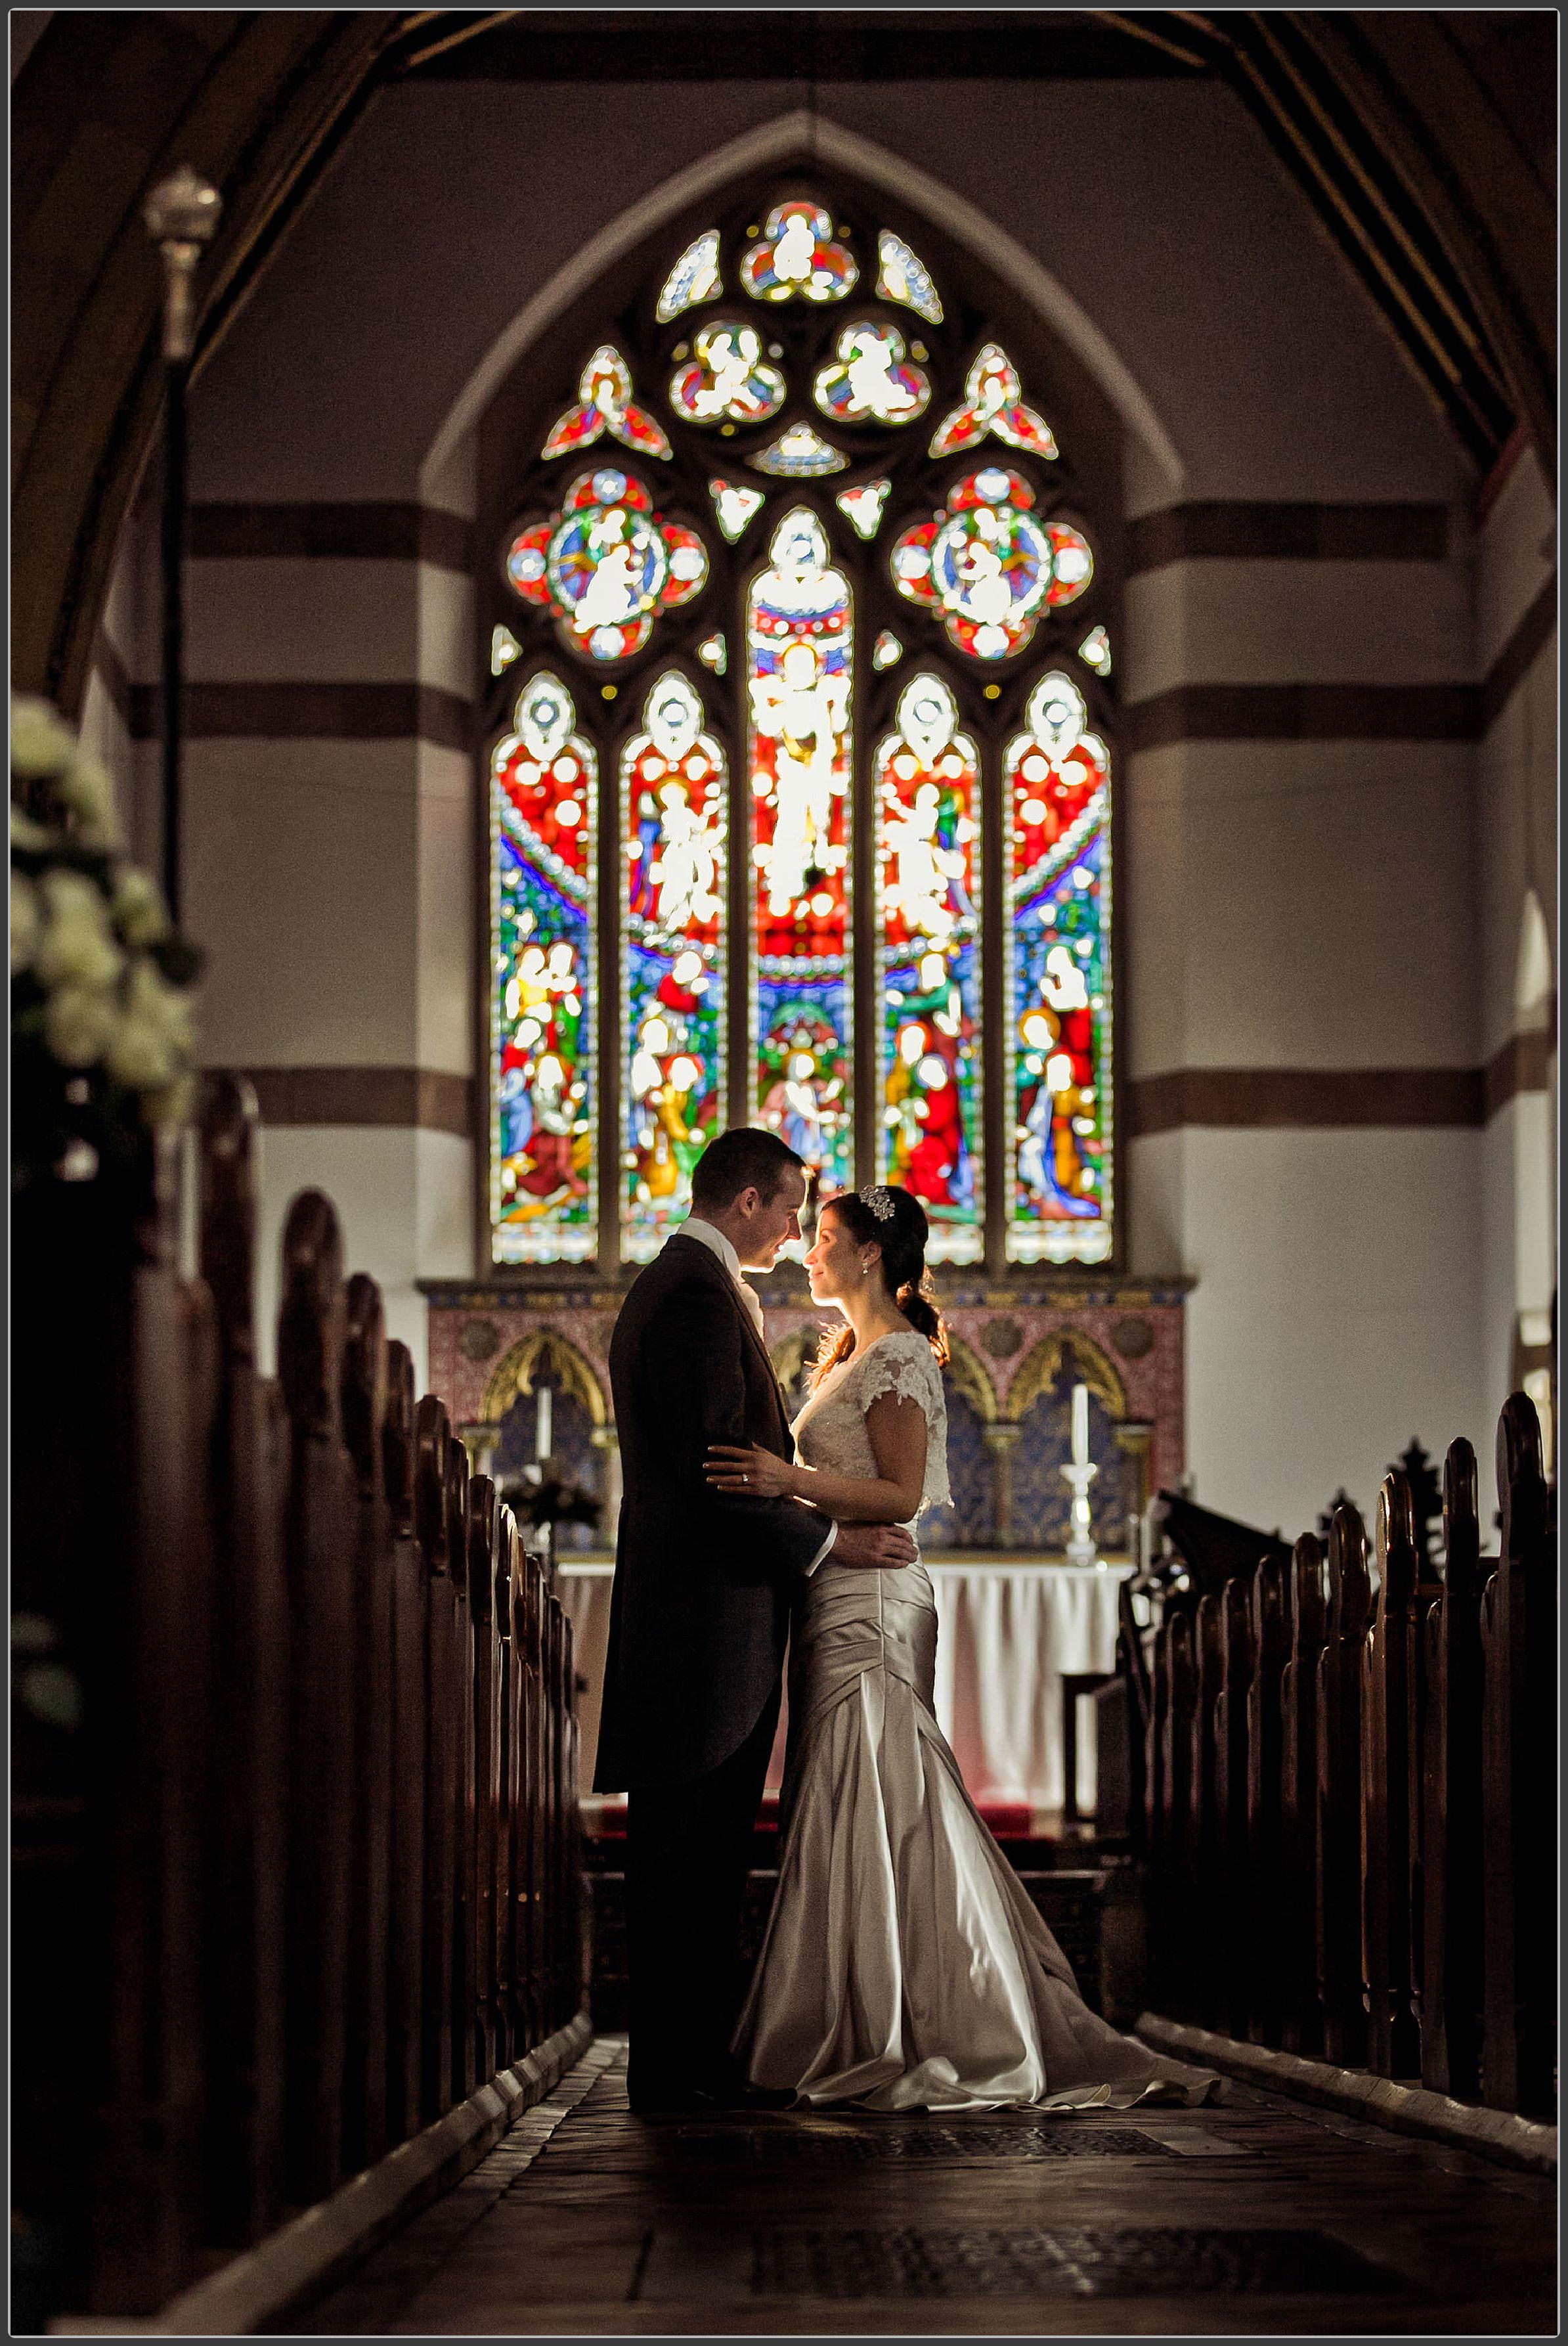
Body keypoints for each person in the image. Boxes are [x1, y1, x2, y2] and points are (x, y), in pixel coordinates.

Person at [706, 1180, 1219, 2112]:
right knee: (856, 1793)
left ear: (870, 1256)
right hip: (839, 1591)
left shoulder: (898, 1353)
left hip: (874, 1595)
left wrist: (784, 1477)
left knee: (880, 1791)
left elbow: (900, 1495)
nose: (808, 1254)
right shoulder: (849, 1355)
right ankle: (868, 2006)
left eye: (824, 1239)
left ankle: (912, 2020)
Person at [594, 1128, 917, 2114]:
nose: (795, 1230)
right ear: (745, 1201)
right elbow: (720, 1472)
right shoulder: (693, 1293)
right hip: (703, 1631)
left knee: (698, 1858)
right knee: (689, 1858)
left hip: (709, 1626)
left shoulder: (694, 1284)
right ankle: (681, 2073)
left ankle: (687, 2063)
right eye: (789, 1208)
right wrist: (828, 1547)